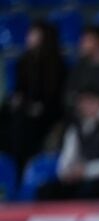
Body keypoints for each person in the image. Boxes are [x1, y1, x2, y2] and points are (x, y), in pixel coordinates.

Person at [38, 88, 99, 201]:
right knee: (47, 191)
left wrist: (87, 171)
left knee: (88, 191)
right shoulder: (75, 128)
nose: (87, 106)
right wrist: (68, 173)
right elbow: (67, 157)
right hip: (81, 178)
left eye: (91, 101)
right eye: (83, 102)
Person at [0, 21, 66, 172]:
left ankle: (21, 166)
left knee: (22, 123)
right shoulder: (24, 61)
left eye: (33, 34)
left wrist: (38, 107)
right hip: (25, 108)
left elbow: (55, 97)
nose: (28, 37)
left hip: (47, 112)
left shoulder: (57, 64)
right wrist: (17, 99)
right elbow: (20, 89)